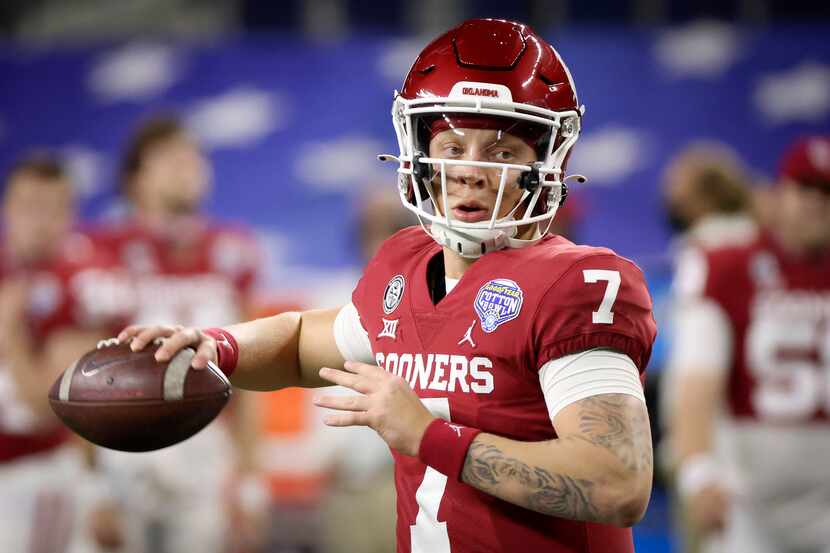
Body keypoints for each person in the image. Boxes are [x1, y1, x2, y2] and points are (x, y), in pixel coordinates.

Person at [117, 19, 657, 553]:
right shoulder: (404, 265)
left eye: (501, 151)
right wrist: (217, 347)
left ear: (545, 164)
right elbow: (303, 342)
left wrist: (428, 436)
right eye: (451, 146)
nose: (469, 171)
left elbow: (616, 482)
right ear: (418, 151)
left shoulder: (578, 285)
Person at [89, 115, 268, 553]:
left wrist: (249, 474)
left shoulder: (232, 249)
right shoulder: (98, 251)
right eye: (169, 156)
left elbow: (251, 369)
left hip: (204, 443)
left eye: (192, 155)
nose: (186, 165)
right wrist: (90, 480)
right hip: (122, 441)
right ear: (135, 178)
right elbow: (78, 368)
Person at [667, 135, 830, 553]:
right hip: (748, 489)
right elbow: (695, 381)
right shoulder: (726, 265)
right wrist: (699, 468)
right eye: (805, 189)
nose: (816, 203)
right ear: (777, 194)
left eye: (826, 193)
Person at [0, 153, 123, 553]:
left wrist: (9, 334)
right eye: (30, 206)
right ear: (8, 208)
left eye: (54, 208)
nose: (41, 221)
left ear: (71, 214)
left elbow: (47, 405)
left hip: (34, 471)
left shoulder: (79, 282)